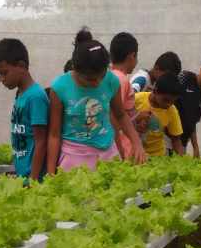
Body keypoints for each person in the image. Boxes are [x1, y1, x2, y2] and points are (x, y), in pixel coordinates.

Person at [47, 29, 146, 173]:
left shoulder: (111, 80)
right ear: (75, 69)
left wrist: (136, 143)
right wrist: (50, 173)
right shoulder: (59, 87)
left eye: (102, 76)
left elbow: (121, 115)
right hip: (74, 158)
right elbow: (54, 135)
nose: (97, 83)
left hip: (107, 153)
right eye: (90, 79)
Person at [0, 38, 49, 182]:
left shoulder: (35, 97)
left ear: (21, 66)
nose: (2, 79)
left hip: (33, 178)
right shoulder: (21, 95)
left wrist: (33, 178)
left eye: (4, 73)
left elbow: (41, 141)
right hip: (22, 174)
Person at [133, 73, 185, 157]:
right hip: (132, 152)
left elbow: (176, 140)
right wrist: (136, 118)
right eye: (165, 100)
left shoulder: (172, 110)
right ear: (155, 91)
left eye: (172, 102)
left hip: (156, 156)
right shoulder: (136, 99)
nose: (168, 104)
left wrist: (182, 161)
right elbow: (118, 121)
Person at [109, 32, 139, 159]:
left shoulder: (111, 76)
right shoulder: (120, 79)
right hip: (122, 146)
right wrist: (120, 149)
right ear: (132, 56)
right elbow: (114, 116)